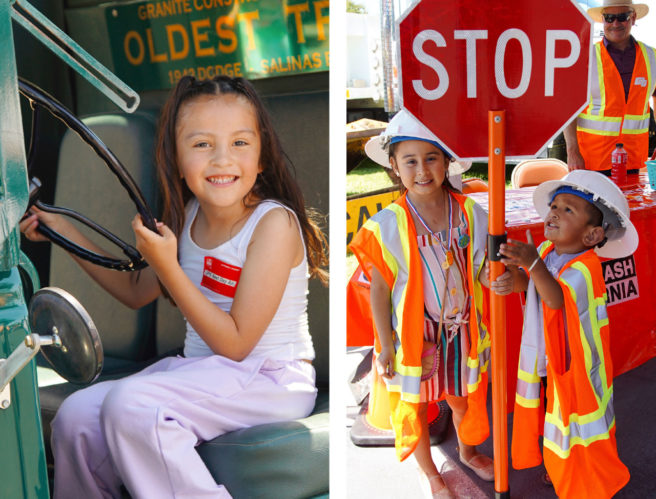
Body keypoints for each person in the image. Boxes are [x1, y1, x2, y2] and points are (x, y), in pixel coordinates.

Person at [19, 76, 329, 497]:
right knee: (76, 417)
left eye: (240, 143)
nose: (222, 159)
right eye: (202, 144)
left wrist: (170, 266)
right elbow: (134, 290)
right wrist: (63, 231)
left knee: (133, 406)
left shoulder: (274, 224)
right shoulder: (190, 215)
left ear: (261, 159)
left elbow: (237, 345)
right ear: (178, 161)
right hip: (200, 373)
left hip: (270, 379)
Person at [349, 110, 493, 498]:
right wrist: (386, 343)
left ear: (447, 162)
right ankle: (430, 474)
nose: (422, 170)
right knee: (415, 410)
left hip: (461, 330)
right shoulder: (388, 224)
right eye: (410, 161)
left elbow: (480, 268)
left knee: (461, 400)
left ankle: (468, 451)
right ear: (394, 167)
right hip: (414, 336)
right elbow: (379, 290)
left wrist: (498, 278)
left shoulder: (469, 212)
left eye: (431, 158)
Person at [493, 170, 636, 498]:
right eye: (554, 206)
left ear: (591, 235)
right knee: (552, 416)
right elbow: (536, 292)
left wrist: (532, 265)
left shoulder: (587, 268)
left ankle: (586, 474)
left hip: (575, 369)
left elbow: (556, 297)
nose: (554, 212)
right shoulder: (545, 251)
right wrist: (514, 279)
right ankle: (558, 460)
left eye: (568, 209)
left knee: (579, 423)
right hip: (548, 360)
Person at [564, 0, 656, 174]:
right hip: (591, 159)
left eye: (622, 17)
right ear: (603, 20)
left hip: (633, 159)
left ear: (633, 18)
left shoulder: (651, 57)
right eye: (609, 18)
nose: (615, 23)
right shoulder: (585, 57)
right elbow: (568, 106)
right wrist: (572, 151)